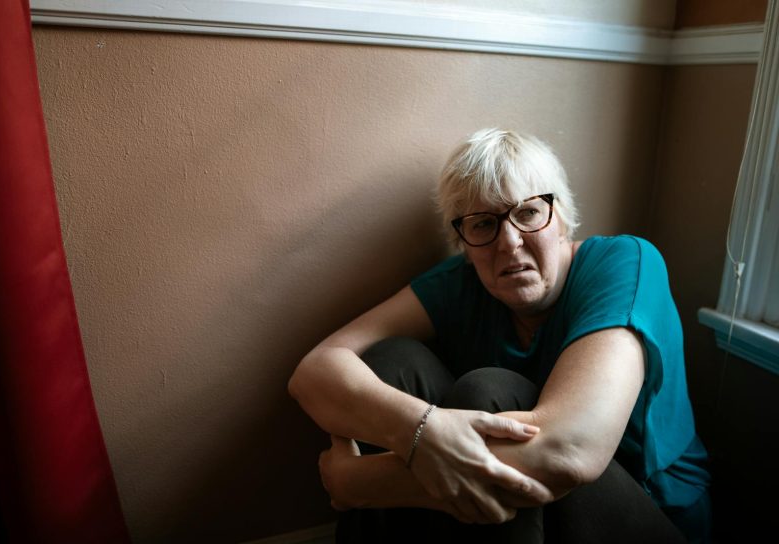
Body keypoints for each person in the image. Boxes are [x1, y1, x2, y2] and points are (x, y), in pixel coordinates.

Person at [288, 128, 712, 543]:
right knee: (392, 360)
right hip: (523, 511)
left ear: (561, 216)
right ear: (464, 241)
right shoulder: (463, 282)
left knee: (488, 392)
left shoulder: (624, 262)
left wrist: (358, 482)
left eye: (528, 212)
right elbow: (316, 370)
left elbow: (568, 453)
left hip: (644, 509)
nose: (508, 243)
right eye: (483, 224)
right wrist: (424, 428)